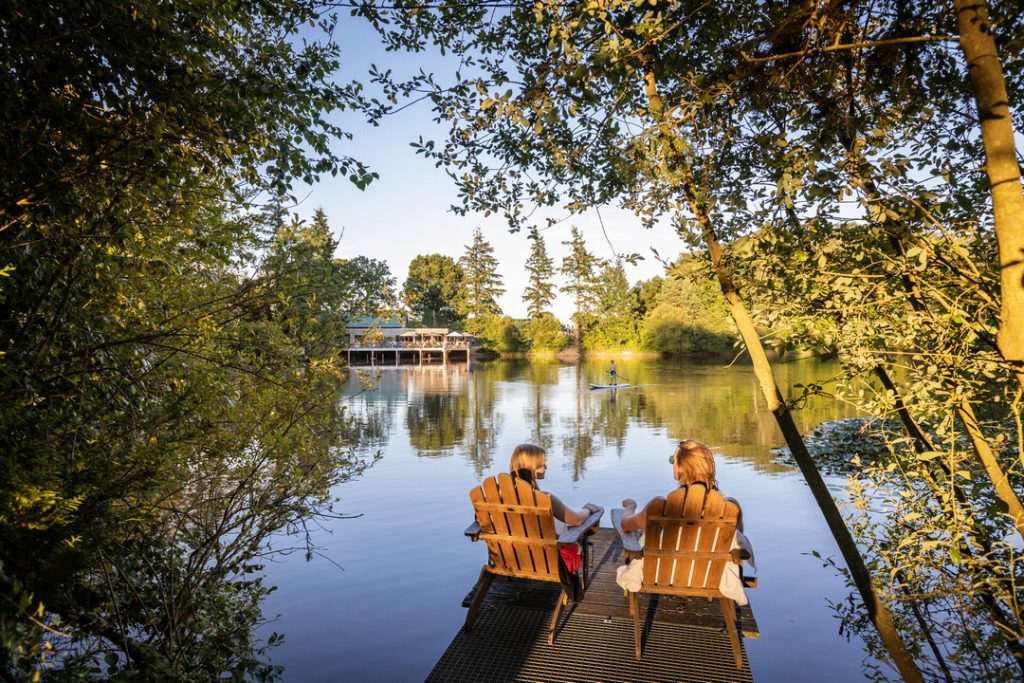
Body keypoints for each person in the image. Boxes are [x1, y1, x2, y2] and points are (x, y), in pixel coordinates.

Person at [616, 439, 755, 604]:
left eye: (672, 461)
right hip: (711, 578)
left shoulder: (658, 508)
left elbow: (625, 524)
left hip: (661, 574)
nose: (672, 464)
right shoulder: (731, 509)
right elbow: (736, 543)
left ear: (679, 469)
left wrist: (630, 507)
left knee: (643, 535)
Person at [510, 443, 600, 600]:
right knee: (577, 534)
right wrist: (587, 509)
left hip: (513, 557)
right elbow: (577, 520)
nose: (545, 467)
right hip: (544, 560)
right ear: (531, 467)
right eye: (541, 465)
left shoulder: (498, 495)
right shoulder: (544, 498)